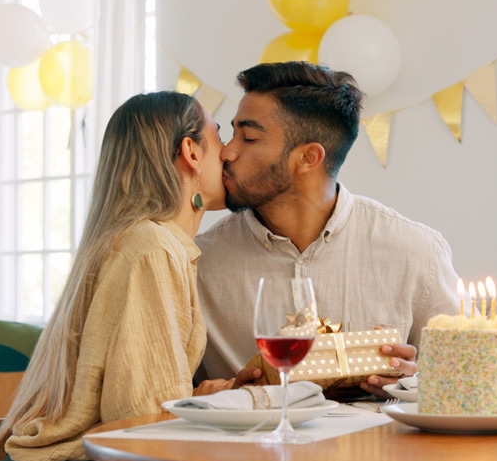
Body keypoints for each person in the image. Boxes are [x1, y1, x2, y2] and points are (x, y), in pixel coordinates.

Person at [0, 92, 226, 461]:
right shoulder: (152, 247)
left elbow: (129, 392)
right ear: (191, 152)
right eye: (220, 136)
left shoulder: (145, 241)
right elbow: (141, 419)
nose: (230, 152)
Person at [196, 62, 463, 395]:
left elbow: (462, 384)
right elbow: (168, 393)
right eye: (232, 133)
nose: (228, 151)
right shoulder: (198, 261)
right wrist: (221, 391)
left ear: (308, 158)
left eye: (248, 137)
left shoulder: (417, 252)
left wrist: (412, 381)